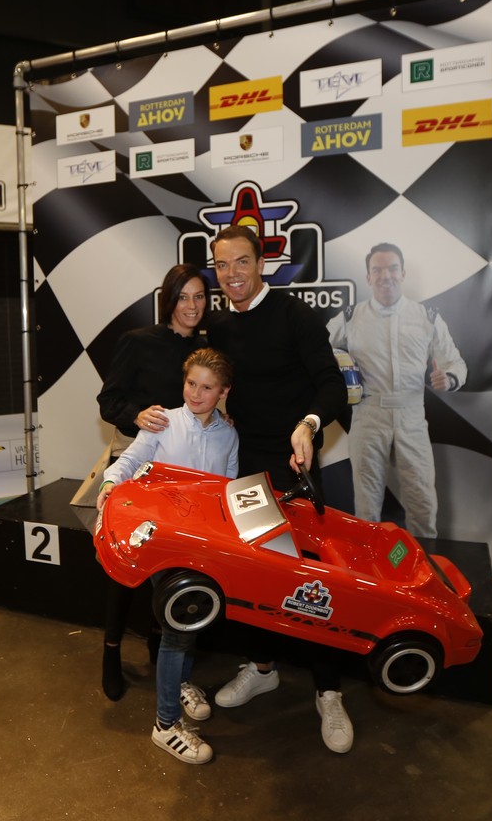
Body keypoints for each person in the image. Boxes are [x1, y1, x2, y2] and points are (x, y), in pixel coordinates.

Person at [203, 225, 352, 754]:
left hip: (295, 462)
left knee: (313, 575)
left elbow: (332, 385)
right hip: (245, 464)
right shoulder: (219, 325)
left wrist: (308, 425)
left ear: (261, 263)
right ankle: (262, 668)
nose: (232, 274)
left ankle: (329, 690)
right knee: (255, 572)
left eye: (241, 262)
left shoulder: (295, 315)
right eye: (222, 265)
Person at [97, 348, 237, 765]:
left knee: (191, 622)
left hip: (203, 546)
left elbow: (227, 489)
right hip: (163, 544)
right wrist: (109, 484)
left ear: (223, 392)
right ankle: (166, 724)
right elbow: (130, 460)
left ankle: (180, 682)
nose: (196, 393)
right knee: (177, 628)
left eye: (207, 387)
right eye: (191, 383)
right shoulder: (163, 421)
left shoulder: (229, 435)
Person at [95, 263, 210, 701]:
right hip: (138, 463)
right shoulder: (138, 341)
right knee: (125, 564)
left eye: (199, 296)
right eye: (183, 297)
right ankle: (110, 652)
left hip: (181, 473)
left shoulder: (207, 348)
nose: (192, 306)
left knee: (170, 563)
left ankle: (159, 647)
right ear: (168, 300)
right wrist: (137, 415)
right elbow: (108, 401)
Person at [325, 242, 466, 539]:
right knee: (366, 505)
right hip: (368, 414)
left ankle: (426, 561)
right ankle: (371, 566)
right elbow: (319, 351)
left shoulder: (426, 317)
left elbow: (455, 362)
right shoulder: (350, 317)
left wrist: (450, 378)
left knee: (422, 502)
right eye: (377, 270)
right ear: (368, 277)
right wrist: (334, 377)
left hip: (411, 415)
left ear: (402, 273)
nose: (385, 276)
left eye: (392, 268)